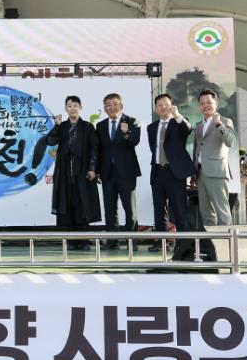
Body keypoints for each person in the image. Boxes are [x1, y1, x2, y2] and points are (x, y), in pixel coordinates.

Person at [46, 96, 102, 250]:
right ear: (66, 109)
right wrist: (56, 126)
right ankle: (70, 241)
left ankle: (84, 241)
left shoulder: (88, 127)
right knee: (67, 205)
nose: (72, 108)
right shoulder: (62, 126)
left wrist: (92, 168)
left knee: (83, 204)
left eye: (75, 105)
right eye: (69, 106)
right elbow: (50, 141)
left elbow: (94, 149)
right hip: (65, 172)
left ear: (80, 107)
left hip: (83, 171)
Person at [147, 93, 196, 252]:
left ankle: (183, 244)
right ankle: (161, 242)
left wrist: (178, 115)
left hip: (175, 173)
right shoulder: (151, 127)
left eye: (166, 104)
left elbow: (188, 129)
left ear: (172, 106)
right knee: (158, 210)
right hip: (157, 172)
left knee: (180, 210)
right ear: (156, 109)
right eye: (159, 105)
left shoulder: (179, 122)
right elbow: (154, 149)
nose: (163, 107)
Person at [96, 93, 141, 250]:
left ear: (121, 105)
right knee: (110, 209)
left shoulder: (132, 121)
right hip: (107, 172)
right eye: (108, 105)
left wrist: (126, 132)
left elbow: (135, 141)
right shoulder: (100, 125)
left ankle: (131, 241)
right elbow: (99, 149)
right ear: (104, 108)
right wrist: (97, 170)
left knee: (130, 208)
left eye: (115, 104)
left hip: (127, 172)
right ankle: (112, 241)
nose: (112, 107)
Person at [193, 89, 236, 226]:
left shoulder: (225, 121)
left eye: (209, 102)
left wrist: (218, 124)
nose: (205, 105)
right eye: (202, 103)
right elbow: (196, 150)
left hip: (217, 172)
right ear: (199, 106)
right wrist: (194, 172)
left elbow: (230, 142)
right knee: (206, 212)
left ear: (216, 104)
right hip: (200, 173)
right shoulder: (198, 126)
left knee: (222, 211)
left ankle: (228, 239)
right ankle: (211, 239)